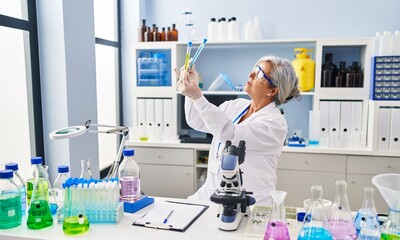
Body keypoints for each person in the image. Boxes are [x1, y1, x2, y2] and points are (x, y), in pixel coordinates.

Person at [176, 56, 301, 205]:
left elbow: (230, 135)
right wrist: (191, 89)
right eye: (255, 69)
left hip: (251, 203)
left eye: (260, 74)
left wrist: (197, 96)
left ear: (273, 90)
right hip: (212, 194)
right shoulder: (236, 106)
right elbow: (197, 121)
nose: (251, 75)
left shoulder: (274, 124)